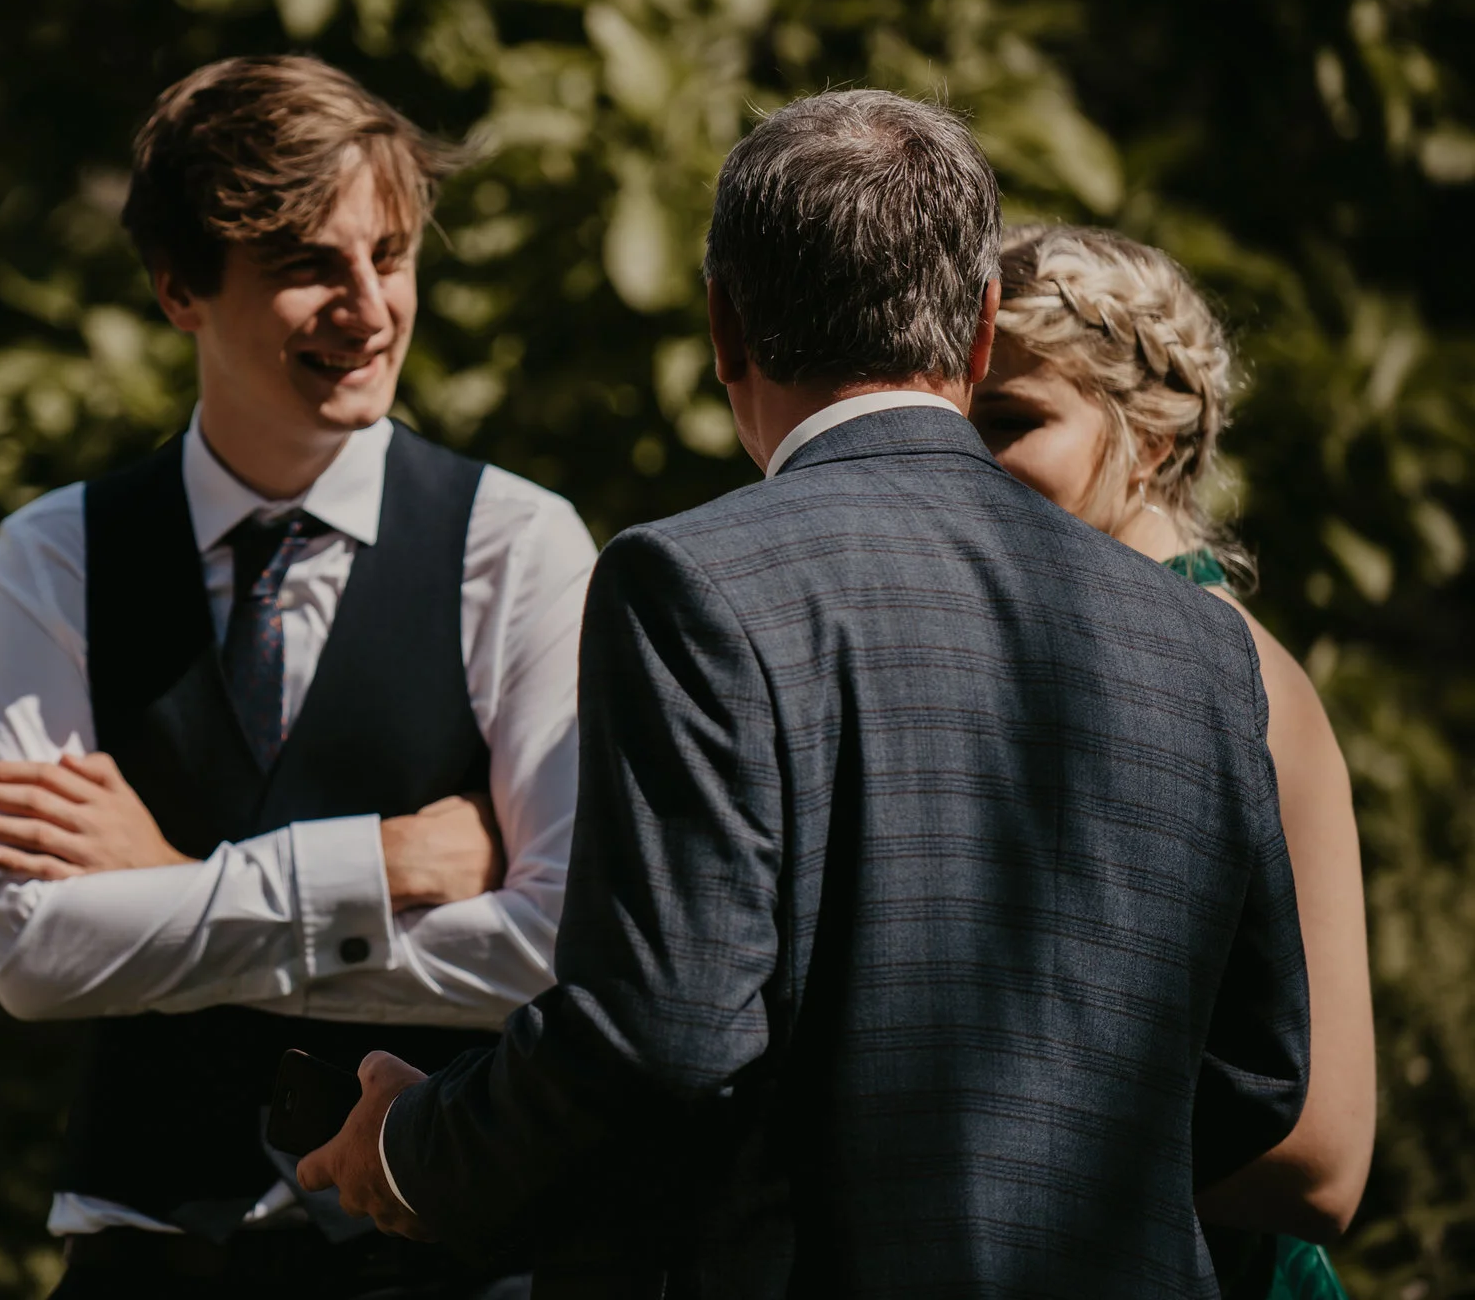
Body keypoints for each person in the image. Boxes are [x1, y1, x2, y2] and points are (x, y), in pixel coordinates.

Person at [299, 90, 1321, 1294]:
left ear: (725, 327)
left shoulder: (690, 583)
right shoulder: (1198, 643)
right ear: (981, 327)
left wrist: (418, 1149)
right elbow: (1257, 1072)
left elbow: (665, 1032)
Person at [0, 56, 596, 1296]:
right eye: (310, 264)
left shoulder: (520, 545)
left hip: (439, 1256)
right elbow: (33, 953)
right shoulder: (54, 554)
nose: (369, 306)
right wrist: (382, 867)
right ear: (180, 287)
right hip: (145, 1257)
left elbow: (552, 946)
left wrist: (171, 889)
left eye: (393, 255)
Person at [972, 223, 1373, 1296]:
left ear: (1146, 436)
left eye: (1009, 421)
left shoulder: (1254, 689)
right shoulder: (1019, 654)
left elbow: (1321, 1158)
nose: (961, 466)